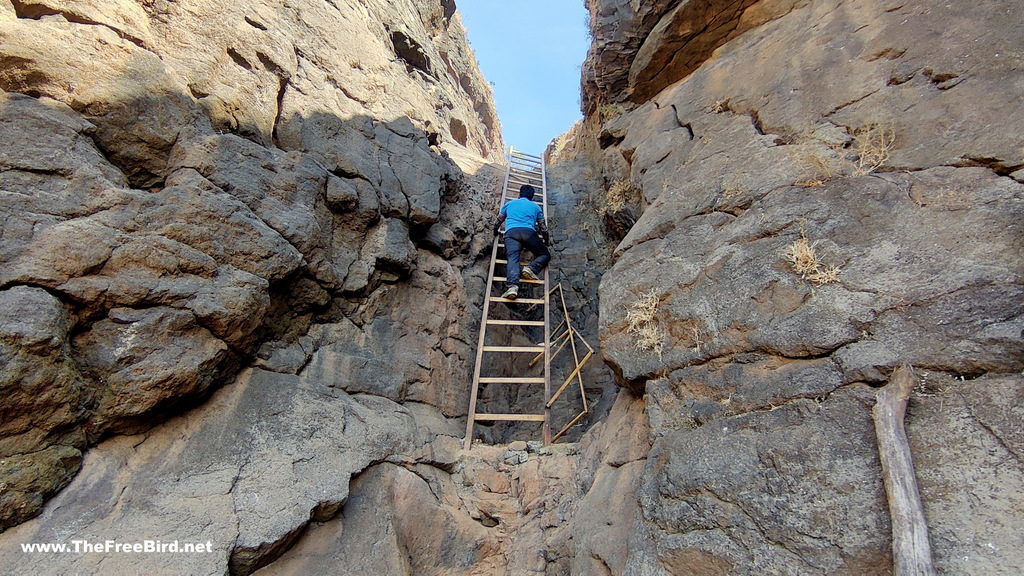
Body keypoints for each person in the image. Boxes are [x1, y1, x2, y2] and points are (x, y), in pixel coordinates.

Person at [493, 184, 551, 300]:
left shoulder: (509, 204)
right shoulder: (536, 207)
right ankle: (531, 269)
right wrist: (546, 241)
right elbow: (543, 228)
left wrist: (495, 232)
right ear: (532, 197)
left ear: (519, 194)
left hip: (511, 233)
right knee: (545, 254)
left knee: (513, 258)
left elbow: (498, 221)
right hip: (528, 233)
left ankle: (512, 288)